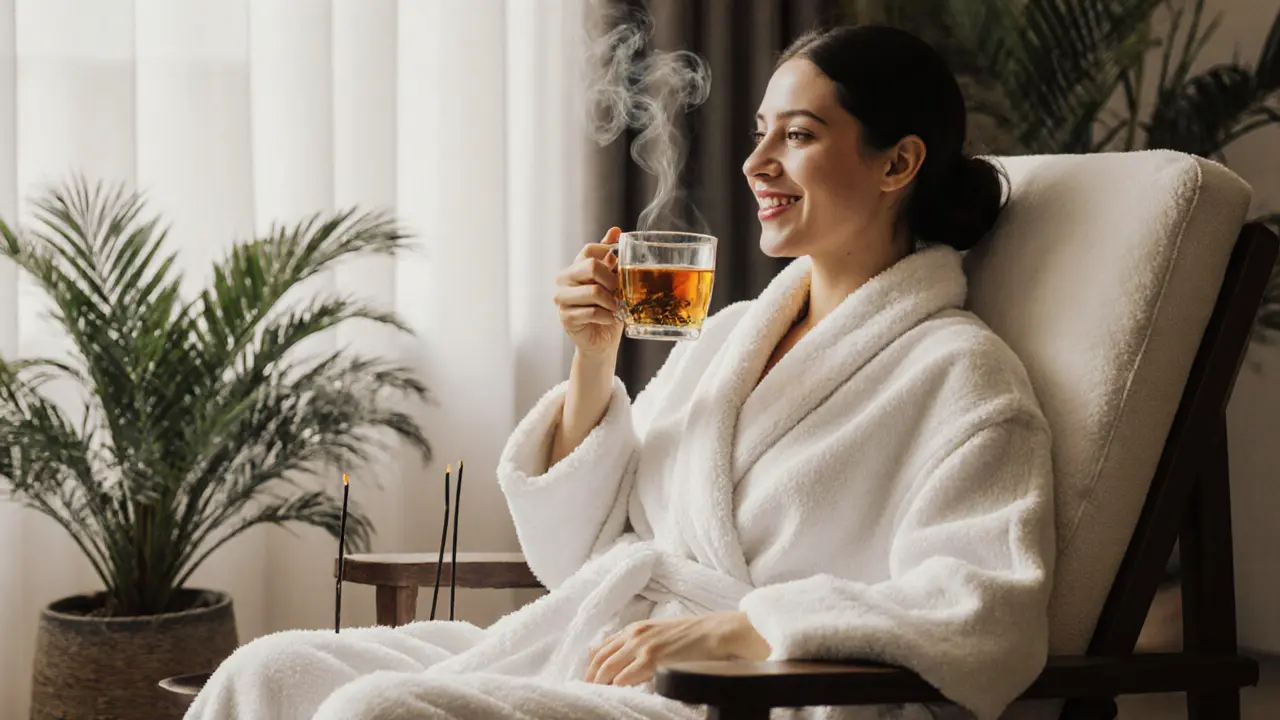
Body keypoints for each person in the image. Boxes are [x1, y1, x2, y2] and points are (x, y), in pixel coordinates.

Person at [185, 25, 1055, 720]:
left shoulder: (962, 378)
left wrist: (745, 629)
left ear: (898, 163)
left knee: (382, 711)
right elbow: (578, 554)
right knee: (273, 672)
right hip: (602, 643)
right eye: (760, 134)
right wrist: (594, 360)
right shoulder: (732, 337)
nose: (757, 166)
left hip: (748, 693)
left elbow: (986, 612)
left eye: (798, 135)